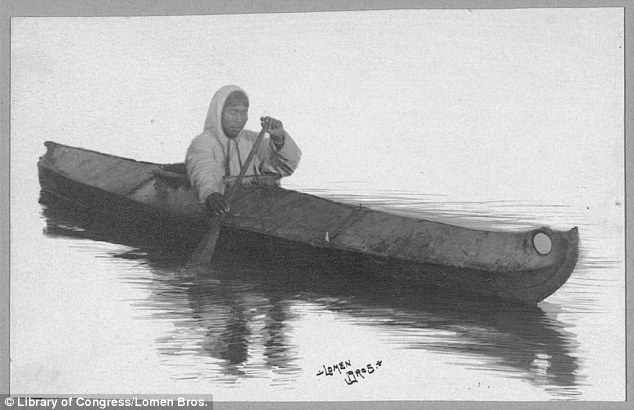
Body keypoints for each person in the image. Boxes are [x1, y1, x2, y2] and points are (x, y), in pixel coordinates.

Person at [186, 85, 301, 216]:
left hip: (258, 215)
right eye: (233, 112)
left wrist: (279, 138)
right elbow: (203, 168)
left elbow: (285, 167)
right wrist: (211, 193)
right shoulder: (203, 143)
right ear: (219, 113)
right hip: (224, 214)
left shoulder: (253, 140)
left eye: (243, 113)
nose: (239, 120)